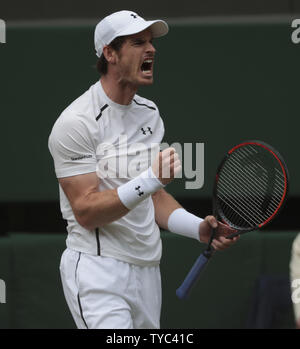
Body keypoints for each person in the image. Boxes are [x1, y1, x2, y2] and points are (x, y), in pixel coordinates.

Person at [48, 10, 239, 329]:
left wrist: (198, 229)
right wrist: (150, 178)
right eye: (138, 42)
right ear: (110, 53)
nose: (151, 49)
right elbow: (85, 211)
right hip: (99, 272)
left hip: (148, 269)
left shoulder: (149, 114)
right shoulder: (76, 123)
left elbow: (153, 197)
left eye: (151, 42)